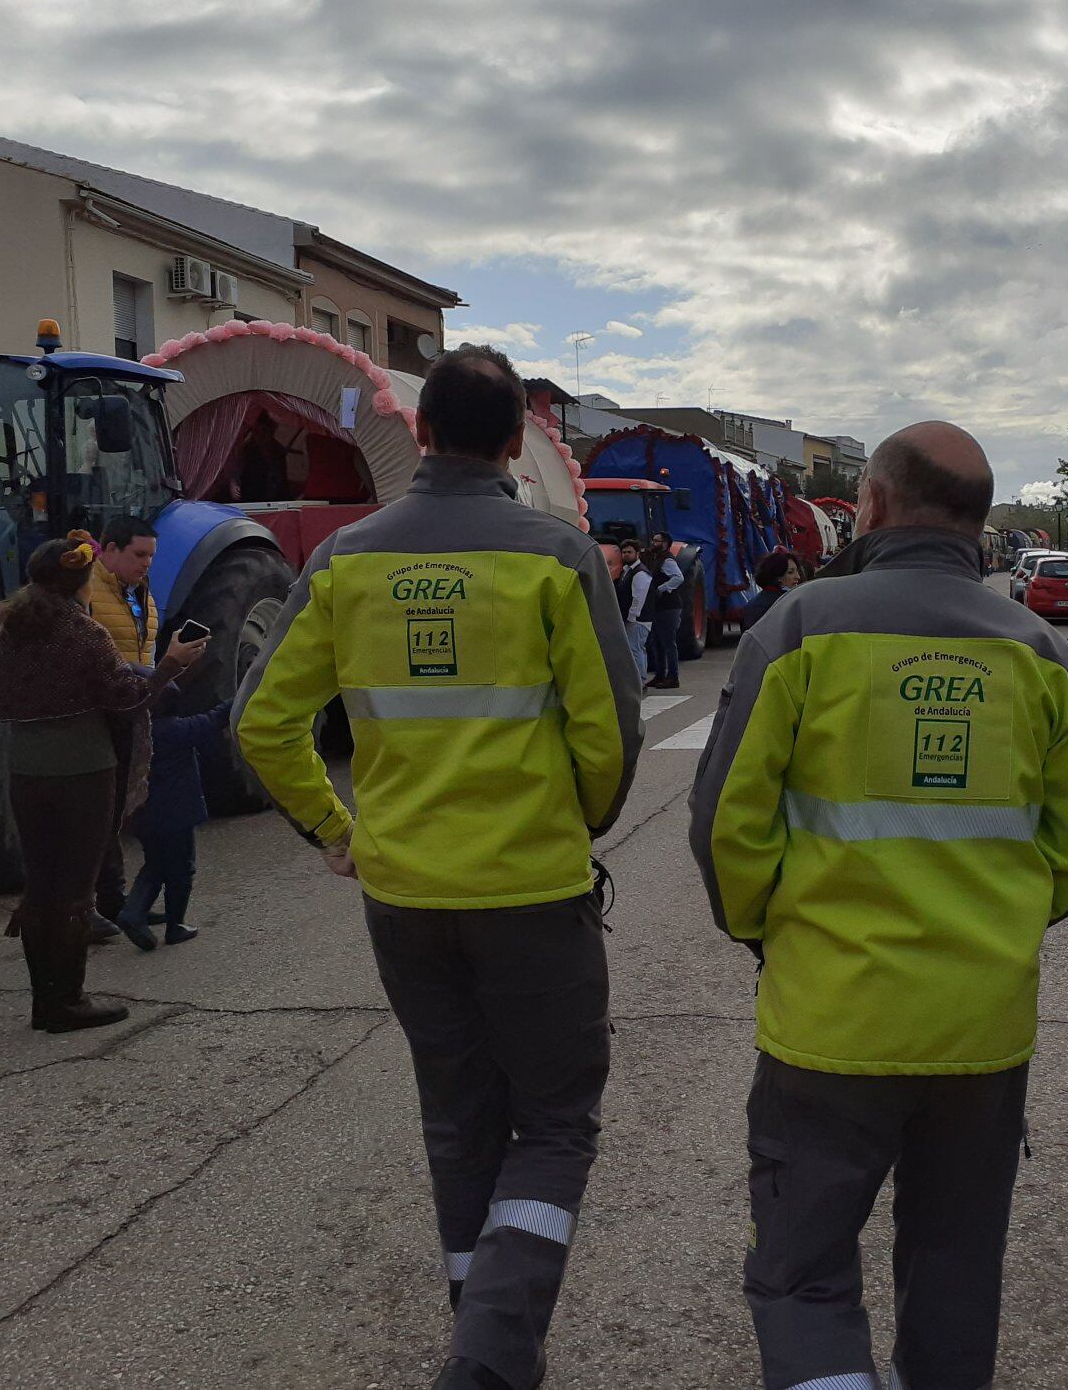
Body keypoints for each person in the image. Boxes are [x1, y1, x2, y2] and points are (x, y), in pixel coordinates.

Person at [236, 345, 641, 1390]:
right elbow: (609, 740)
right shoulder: (557, 559)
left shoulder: (346, 559)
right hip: (533, 894)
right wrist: (571, 826)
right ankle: (494, 1357)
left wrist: (337, 830)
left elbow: (264, 722)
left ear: (418, 435)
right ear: (515, 443)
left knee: (458, 1118)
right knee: (553, 1122)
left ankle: (481, 1326)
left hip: (405, 897)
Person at [692, 421, 1068, 1390]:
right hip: (981, 1033)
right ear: (978, 525)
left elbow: (727, 828)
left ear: (873, 507)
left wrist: (774, 931)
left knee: (801, 1282)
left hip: (827, 1025)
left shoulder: (798, 630)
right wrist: (993, 925)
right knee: (956, 1281)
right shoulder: (1041, 655)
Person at [0, 532, 205, 1034]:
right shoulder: (83, 633)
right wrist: (172, 663)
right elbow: (127, 698)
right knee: (73, 887)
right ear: (80, 581)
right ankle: (66, 1002)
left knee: (41, 884)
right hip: (80, 768)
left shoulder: (12, 628)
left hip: (25, 767)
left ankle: (43, 1000)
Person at [82, 514, 160, 938]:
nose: (146, 563)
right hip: (95, 717)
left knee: (113, 812)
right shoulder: (87, 591)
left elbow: (144, 652)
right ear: (109, 550)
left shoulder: (141, 595)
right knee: (97, 813)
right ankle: (91, 904)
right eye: (139, 554)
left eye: (150, 555)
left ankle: (114, 899)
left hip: (129, 713)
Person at [117, 694, 231, 950]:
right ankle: (175, 925)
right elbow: (214, 719)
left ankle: (133, 912)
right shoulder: (176, 730)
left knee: (154, 867)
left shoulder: (131, 734)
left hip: (143, 815)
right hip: (177, 816)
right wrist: (247, 689)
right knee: (181, 870)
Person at [647, 531, 685, 690]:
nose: (653, 543)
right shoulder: (656, 558)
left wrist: (662, 589)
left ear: (665, 543)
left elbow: (678, 577)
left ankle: (673, 677)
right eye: (653, 540)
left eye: (657, 541)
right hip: (659, 607)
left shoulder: (667, 559)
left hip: (669, 607)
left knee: (668, 643)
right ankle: (660, 675)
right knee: (657, 642)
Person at [615, 537, 654, 684]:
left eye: (629, 552)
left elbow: (639, 597)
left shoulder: (640, 573)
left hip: (638, 620)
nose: (626, 555)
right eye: (624, 552)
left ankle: (640, 680)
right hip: (630, 618)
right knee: (634, 649)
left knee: (635, 649)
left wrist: (632, 616)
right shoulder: (626, 571)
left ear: (637, 553)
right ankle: (637, 679)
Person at [739, 548, 801, 631]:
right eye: (790, 572)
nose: (798, 577)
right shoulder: (786, 603)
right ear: (778, 575)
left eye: (797, 571)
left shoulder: (751, 604)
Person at [237, 412, 291, 502]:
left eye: (265, 431)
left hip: (276, 501)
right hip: (251, 500)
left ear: (272, 431)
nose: (261, 436)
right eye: (257, 432)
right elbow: (239, 473)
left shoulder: (278, 450)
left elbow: (282, 481)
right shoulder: (247, 450)